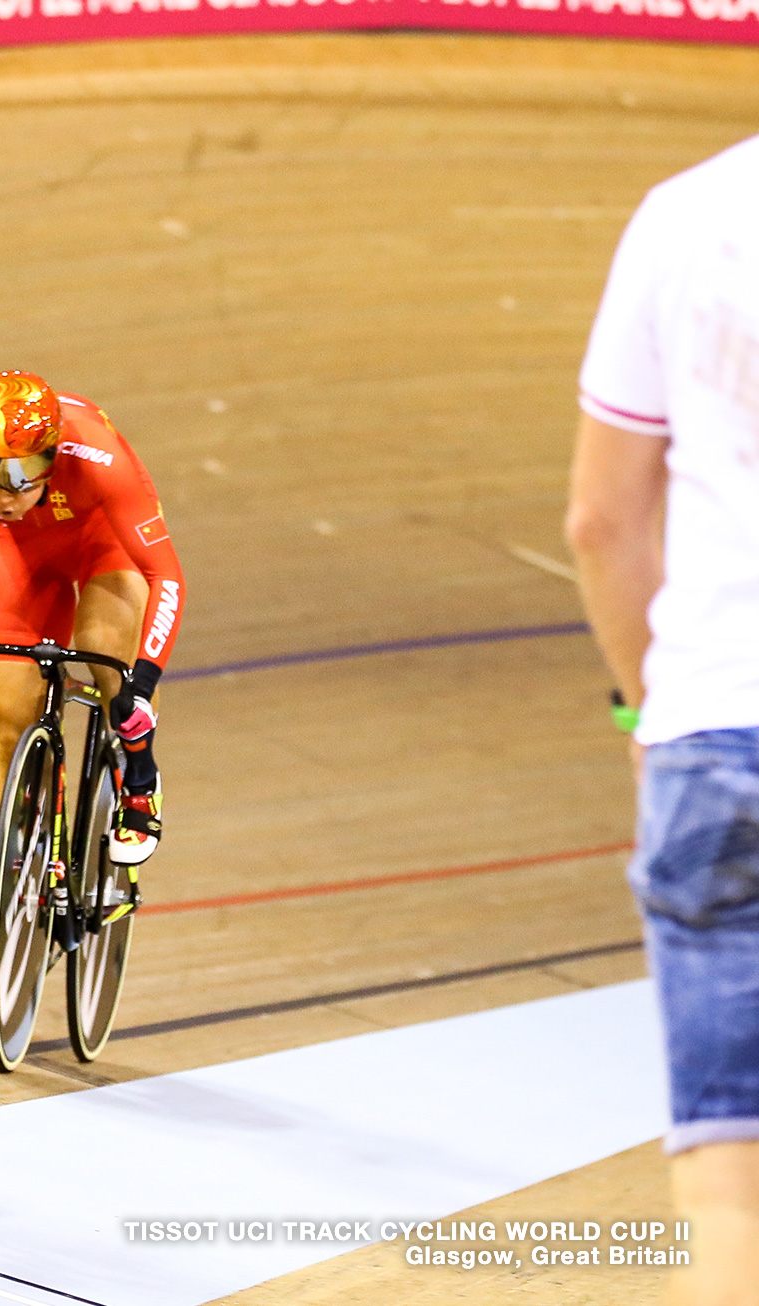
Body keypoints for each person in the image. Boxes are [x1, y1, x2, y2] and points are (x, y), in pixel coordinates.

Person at [566, 134, 759, 1306]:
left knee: (725, 1178)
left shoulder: (688, 213)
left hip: (717, 723)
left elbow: (602, 519)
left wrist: (651, 704)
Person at [0, 372, 185, 863]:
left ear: (52, 458)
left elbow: (166, 577)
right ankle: (20, 875)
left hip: (103, 539)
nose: (2, 498)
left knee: (104, 649)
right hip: (22, 550)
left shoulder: (99, 459)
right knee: (10, 717)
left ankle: (139, 779)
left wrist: (144, 679)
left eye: (19, 480)